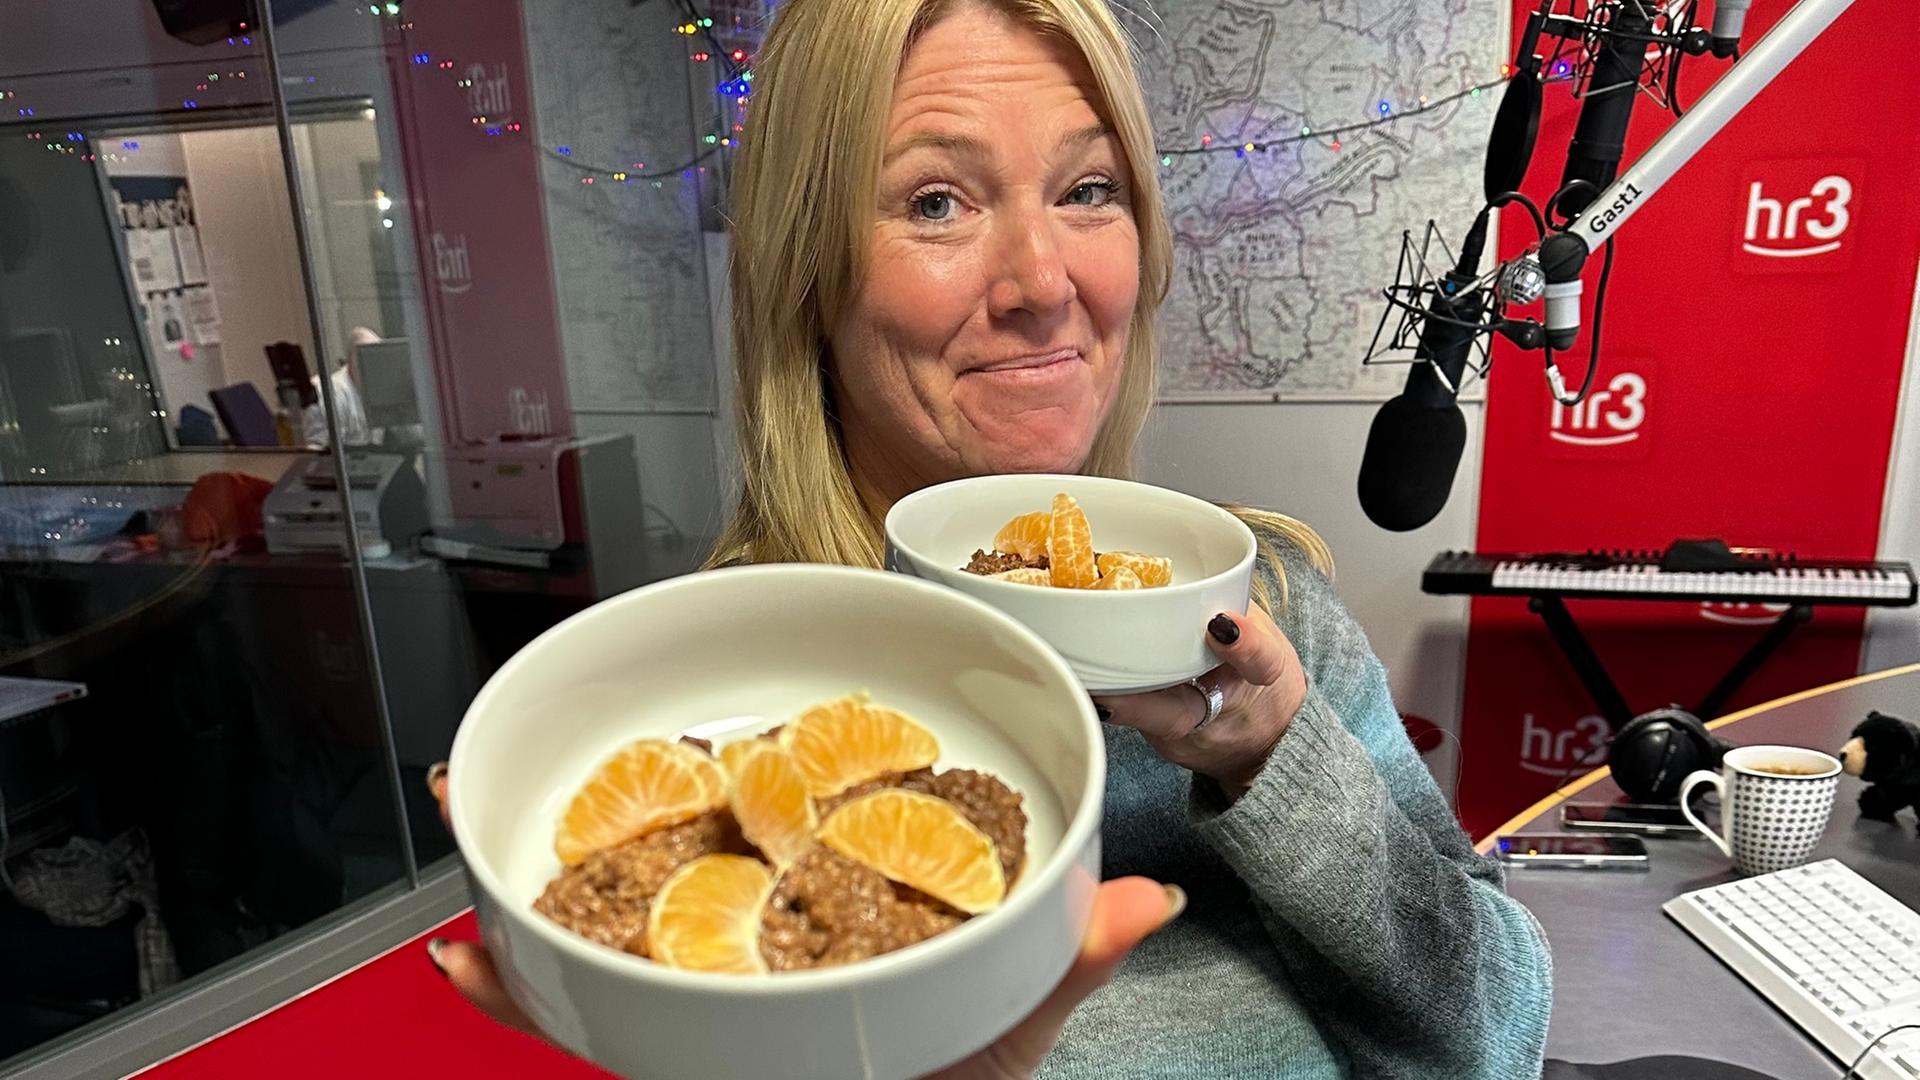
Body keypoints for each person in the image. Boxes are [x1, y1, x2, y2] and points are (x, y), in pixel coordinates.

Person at [426, 0, 1554, 1075]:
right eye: (935, 203)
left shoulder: (1267, 611)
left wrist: (1275, 759)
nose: (1044, 284)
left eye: (1089, 188)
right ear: (807, 270)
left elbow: (1495, 1043)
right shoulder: (719, 708)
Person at [300, 326, 375, 447]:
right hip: (332, 460)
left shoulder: (379, 390)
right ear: (352, 358)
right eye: (367, 357)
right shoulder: (330, 391)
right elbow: (320, 448)